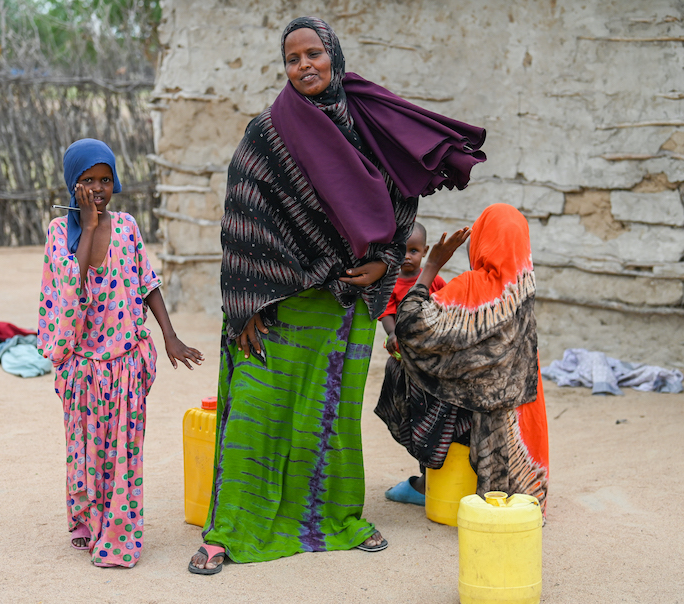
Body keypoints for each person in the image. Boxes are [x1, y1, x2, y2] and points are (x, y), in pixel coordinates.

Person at [188, 17, 486, 574]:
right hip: (278, 303)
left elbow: (402, 194)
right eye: (292, 58)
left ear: (333, 55)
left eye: (313, 54)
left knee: (329, 416)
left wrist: (385, 262)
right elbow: (243, 214)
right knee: (255, 409)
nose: (304, 65)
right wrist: (245, 307)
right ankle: (229, 530)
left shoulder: (369, 120)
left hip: (345, 304)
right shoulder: (267, 131)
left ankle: (336, 517)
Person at [38, 138, 204, 568]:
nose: (97, 188)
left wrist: (169, 335)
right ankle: (84, 519)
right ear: (71, 184)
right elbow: (71, 286)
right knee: (85, 449)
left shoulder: (128, 226)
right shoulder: (60, 232)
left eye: (105, 179)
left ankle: (118, 537)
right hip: (84, 367)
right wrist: (89, 227)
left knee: (124, 454)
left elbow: (147, 282)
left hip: (127, 363)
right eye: (87, 180)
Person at [377, 203, 549, 514]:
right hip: (509, 430)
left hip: (470, 415)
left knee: (400, 367)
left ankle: (426, 481)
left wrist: (431, 267)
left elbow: (409, 326)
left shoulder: (472, 287)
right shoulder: (525, 292)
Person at [380, 222, 447, 360]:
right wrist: (393, 333)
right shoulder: (390, 283)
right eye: (402, 250)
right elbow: (387, 313)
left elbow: (448, 304)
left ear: (425, 251)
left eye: (414, 251)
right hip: (402, 342)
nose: (407, 256)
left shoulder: (435, 280)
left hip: (431, 341)